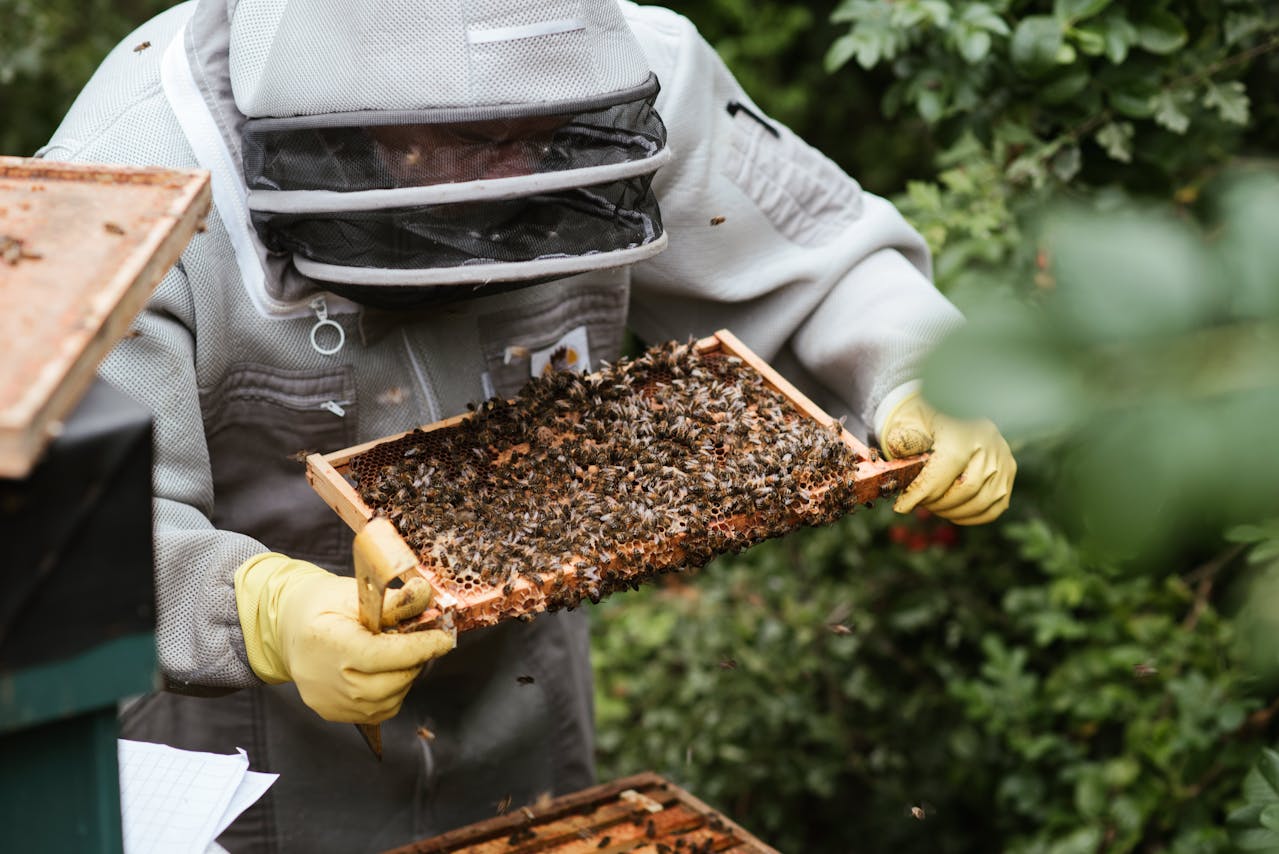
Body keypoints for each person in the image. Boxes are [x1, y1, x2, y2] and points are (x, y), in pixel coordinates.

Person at [40, 1, 1015, 850]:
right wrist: (255, 607)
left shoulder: (631, 75)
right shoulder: (131, 174)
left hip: (522, 711)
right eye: (463, 138)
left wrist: (922, 371)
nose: (507, 162)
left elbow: (823, 260)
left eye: (537, 128)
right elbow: (65, 525)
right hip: (241, 758)